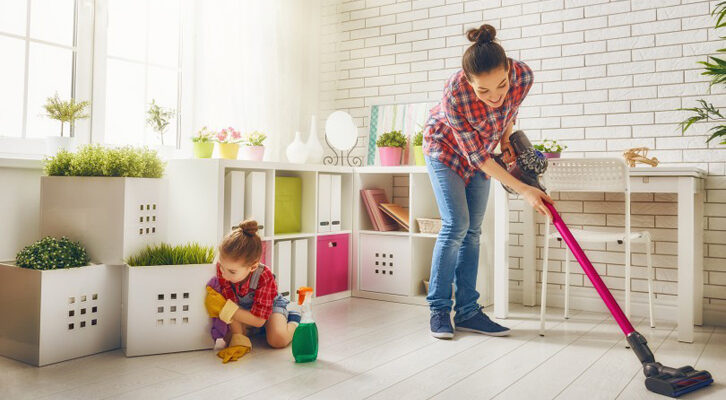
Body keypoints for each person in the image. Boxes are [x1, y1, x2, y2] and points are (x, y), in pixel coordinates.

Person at [423, 23, 553, 339]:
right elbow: (478, 157)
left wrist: (506, 137)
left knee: (474, 232)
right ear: (468, 82)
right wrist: (525, 189)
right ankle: (439, 309)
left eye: (501, 85)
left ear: (509, 70)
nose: (495, 96)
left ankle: (468, 312)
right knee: (456, 225)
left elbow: (508, 111)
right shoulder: (454, 92)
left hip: (482, 150)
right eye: (483, 90)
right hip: (445, 150)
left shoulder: (523, 76)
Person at [204, 219, 300, 363]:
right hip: (243, 308)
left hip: (268, 308)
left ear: (253, 266)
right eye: (221, 266)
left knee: (277, 339)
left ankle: (295, 320)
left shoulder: (263, 275)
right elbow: (232, 303)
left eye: (231, 271)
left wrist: (227, 309)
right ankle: (258, 331)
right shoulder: (224, 270)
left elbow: (259, 320)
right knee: (229, 337)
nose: (223, 274)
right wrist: (237, 334)